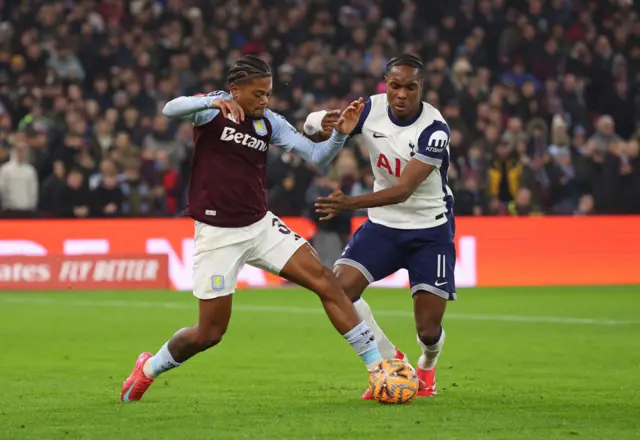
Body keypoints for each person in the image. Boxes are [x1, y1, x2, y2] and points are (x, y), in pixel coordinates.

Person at [120, 55, 384, 402]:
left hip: (260, 226)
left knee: (325, 280)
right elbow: (170, 109)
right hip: (217, 235)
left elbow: (316, 156)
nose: (264, 101)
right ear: (235, 90)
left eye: (268, 94)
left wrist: (339, 136)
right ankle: (150, 367)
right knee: (209, 333)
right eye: (258, 94)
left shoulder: (269, 122)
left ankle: (379, 368)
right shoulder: (211, 110)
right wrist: (210, 100)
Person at [306, 54, 456, 399]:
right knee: (338, 291)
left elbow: (403, 190)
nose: (401, 94)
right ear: (385, 85)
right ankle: (392, 360)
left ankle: (427, 365)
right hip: (383, 227)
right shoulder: (370, 109)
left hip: (429, 230)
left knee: (428, 329)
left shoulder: (434, 130)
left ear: (422, 88)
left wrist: (350, 203)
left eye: (410, 87)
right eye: (394, 86)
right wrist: (321, 124)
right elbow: (318, 133)